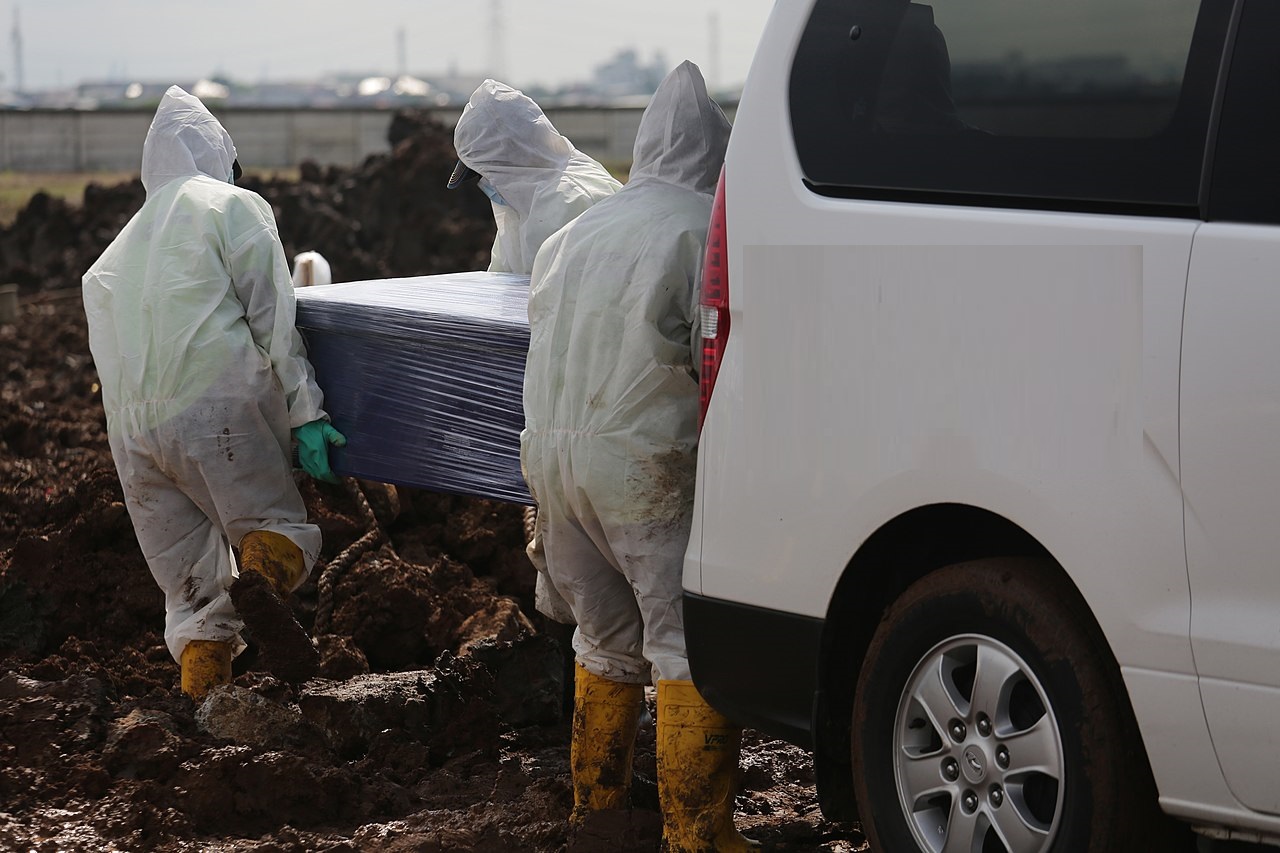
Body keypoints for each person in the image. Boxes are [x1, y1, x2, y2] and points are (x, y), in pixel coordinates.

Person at [520, 62, 755, 851]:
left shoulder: (570, 235)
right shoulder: (701, 227)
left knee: (604, 640)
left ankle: (598, 814)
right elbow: (714, 350)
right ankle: (696, 831)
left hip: (553, 465)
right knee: (684, 645)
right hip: (644, 465)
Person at [82, 86, 345, 700]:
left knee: (193, 596)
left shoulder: (109, 258)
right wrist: (307, 412)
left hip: (133, 435)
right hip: (217, 409)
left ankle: (207, 718)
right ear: (217, 154)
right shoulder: (233, 207)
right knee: (277, 530)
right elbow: (272, 320)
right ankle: (257, 590)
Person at [447, 78, 622, 633]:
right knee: (573, 575)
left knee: (608, 574)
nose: (486, 191)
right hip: (559, 408)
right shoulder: (526, 201)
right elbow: (505, 287)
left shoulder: (570, 200)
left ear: (506, 161)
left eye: (485, 176)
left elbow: (575, 322)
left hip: (597, 404)